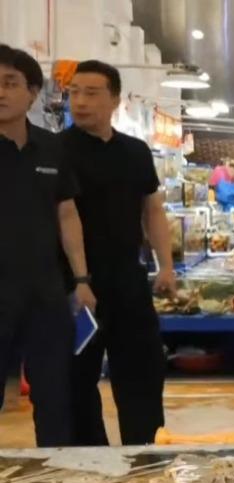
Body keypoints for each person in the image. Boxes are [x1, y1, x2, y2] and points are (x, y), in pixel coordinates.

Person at [61, 60, 177, 446]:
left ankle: (142, 456)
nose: (80, 101)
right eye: (74, 92)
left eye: (91, 93)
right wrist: (79, 279)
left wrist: (167, 266)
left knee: (143, 370)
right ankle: (91, 461)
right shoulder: (57, 150)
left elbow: (153, 211)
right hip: (76, 286)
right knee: (76, 378)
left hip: (128, 278)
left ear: (114, 99)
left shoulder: (136, 151)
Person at [0, 44, 95, 446]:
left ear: (32, 92)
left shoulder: (52, 147)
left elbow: (67, 215)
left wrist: (82, 278)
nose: (0, 92)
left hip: (45, 293)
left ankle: (56, 482)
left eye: (10, 83)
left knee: (54, 400)